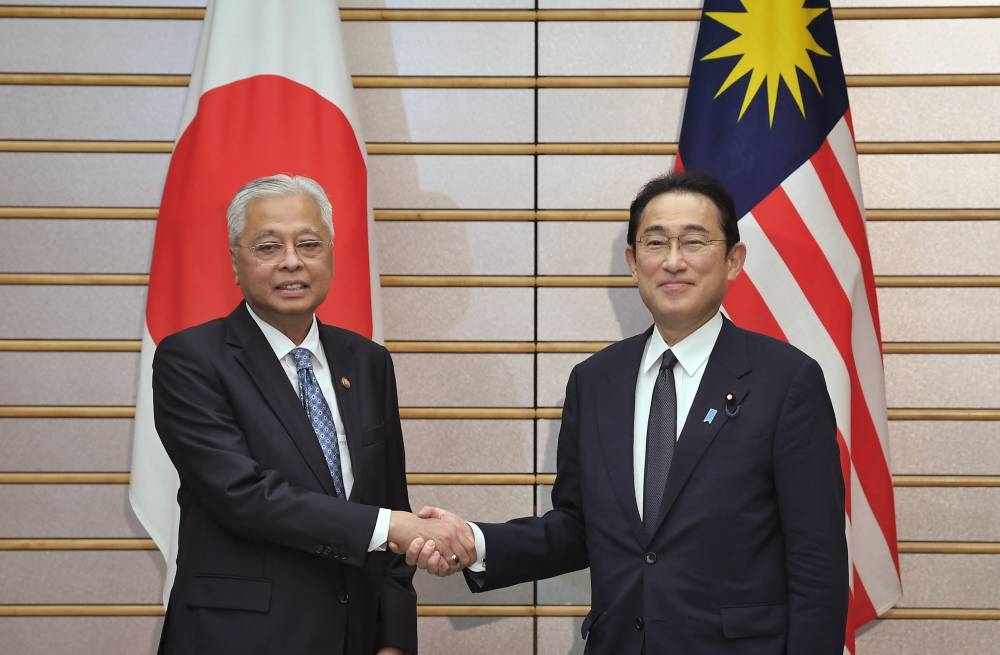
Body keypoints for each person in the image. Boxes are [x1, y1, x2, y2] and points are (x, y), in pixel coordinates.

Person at [402, 171, 848, 654]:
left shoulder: (785, 381)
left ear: (733, 260)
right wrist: (474, 541)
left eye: (694, 242)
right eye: (655, 244)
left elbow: (817, 565)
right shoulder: (596, 381)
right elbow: (577, 528)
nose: (673, 261)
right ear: (634, 263)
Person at [152, 174, 474, 655]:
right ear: (235, 261)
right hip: (237, 638)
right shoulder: (192, 358)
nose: (291, 261)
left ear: (330, 253)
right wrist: (393, 527)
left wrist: (393, 638)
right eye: (267, 246)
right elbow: (242, 495)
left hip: (355, 635)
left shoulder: (366, 361)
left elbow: (389, 496)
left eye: (308, 243)